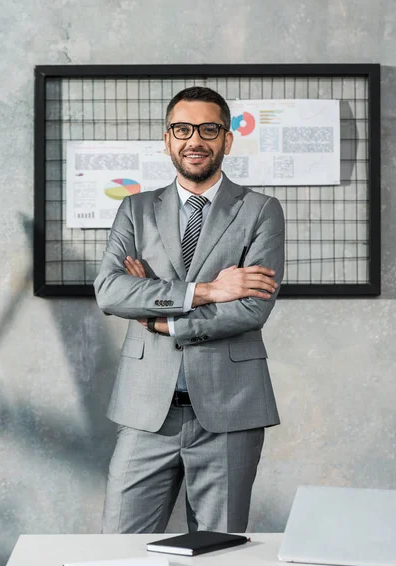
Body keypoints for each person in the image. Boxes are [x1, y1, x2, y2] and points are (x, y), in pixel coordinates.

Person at [94, 86, 285, 534]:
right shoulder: (135, 210)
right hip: (145, 411)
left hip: (230, 410)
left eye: (208, 129)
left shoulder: (261, 211)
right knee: (120, 551)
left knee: (217, 556)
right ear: (167, 139)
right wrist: (206, 291)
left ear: (227, 139)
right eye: (182, 129)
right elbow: (110, 291)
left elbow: (250, 310)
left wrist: (160, 318)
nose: (194, 139)